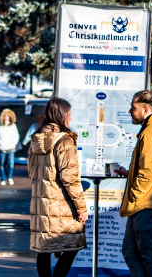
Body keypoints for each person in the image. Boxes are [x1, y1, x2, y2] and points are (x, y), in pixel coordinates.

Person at [116, 89, 152, 277]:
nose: (130, 112)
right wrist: (129, 173)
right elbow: (150, 167)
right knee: (131, 251)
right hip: (147, 201)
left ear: (146, 109)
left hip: (146, 202)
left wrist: (135, 195)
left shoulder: (150, 132)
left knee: (144, 254)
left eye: (133, 108)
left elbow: (148, 172)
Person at [28, 97, 87, 277]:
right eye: (68, 114)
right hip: (62, 205)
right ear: (62, 116)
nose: (70, 118)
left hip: (41, 205)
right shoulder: (64, 141)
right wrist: (81, 208)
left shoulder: (37, 139)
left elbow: (32, 172)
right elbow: (70, 178)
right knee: (72, 246)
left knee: (44, 249)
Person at [0, 108, 20, 186]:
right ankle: (3, 178)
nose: (6, 118)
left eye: (8, 116)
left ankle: (9, 177)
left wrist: (14, 144)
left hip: (11, 148)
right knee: (2, 164)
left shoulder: (13, 126)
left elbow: (16, 136)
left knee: (11, 164)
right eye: (5, 116)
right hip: (2, 148)